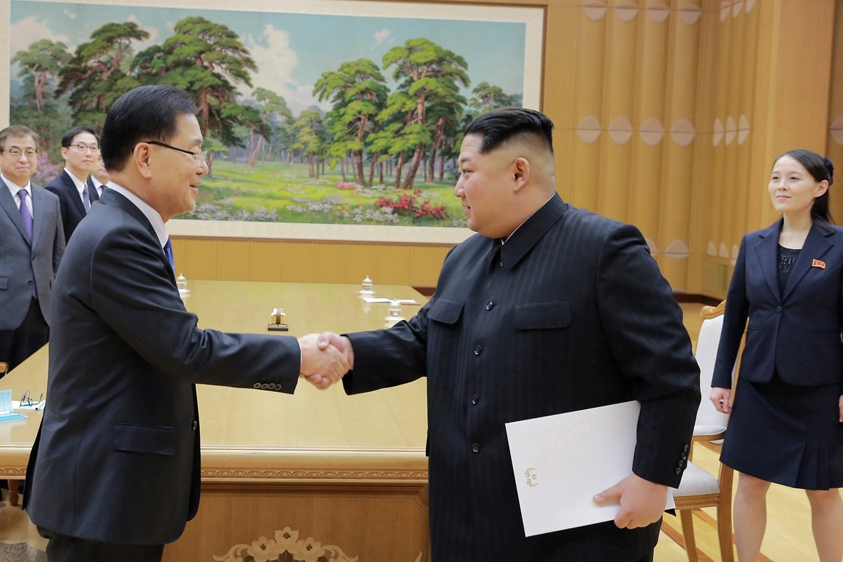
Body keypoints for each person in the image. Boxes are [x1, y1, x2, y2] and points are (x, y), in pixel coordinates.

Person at [315, 107, 700, 561]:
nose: (457, 189)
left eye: (466, 172)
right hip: (464, 512)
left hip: (573, 529)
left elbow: (670, 375)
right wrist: (348, 351)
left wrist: (653, 478)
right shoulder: (462, 258)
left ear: (519, 173)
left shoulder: (604, 250)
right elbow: (423, 338)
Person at [24, 85, 348, 562]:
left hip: (111, 480)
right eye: (194, 151)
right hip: (103, 485)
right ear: (145, 157)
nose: (203, 167)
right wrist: (296, 354)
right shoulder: (117, 238)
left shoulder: (123, 226)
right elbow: (184, 349)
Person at [711, 149, 843, 562]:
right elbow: (735, 316)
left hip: (818, 388)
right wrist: (721, 379)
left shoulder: (840, 245)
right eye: (776, 177)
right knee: (751, 483)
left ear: (820, 188)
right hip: (759, 385)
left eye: (793, 178)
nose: (781, 186)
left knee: (823, 491)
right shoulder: (754, 243)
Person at [0, 125, 66, 379]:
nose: (23, 158)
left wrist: (61, 302)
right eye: (15, 151)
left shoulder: (50, 200)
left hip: (41, 309)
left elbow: (58, 256)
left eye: (30, 152)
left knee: (32, 384)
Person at [44, 126, 100, 243]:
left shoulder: (92, 191)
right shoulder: (54, 191)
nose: (89, 153)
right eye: (81, 147)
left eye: (93, 148)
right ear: (65, 153)